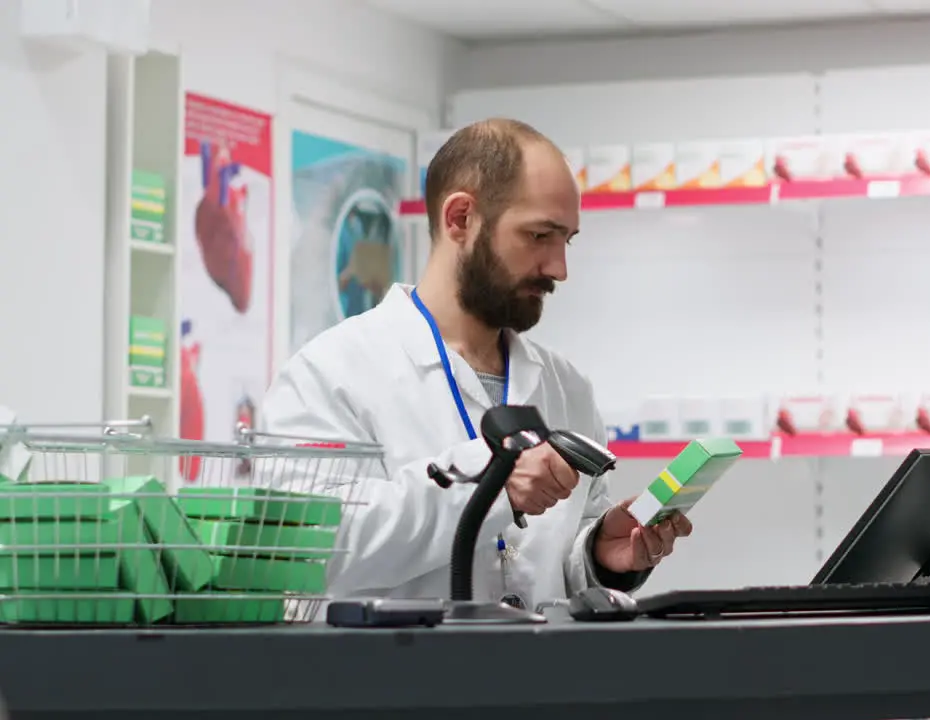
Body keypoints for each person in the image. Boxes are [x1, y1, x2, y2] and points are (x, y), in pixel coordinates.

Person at [262, 118, 693, 610]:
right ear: (461, 218)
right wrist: (489, 484)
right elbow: (305, 550)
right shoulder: (329, 374)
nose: (559, 268)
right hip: (398, 680)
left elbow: (549, 567)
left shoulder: (566, 387)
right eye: (539, 236)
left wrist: (597, 555)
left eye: (566, 240)